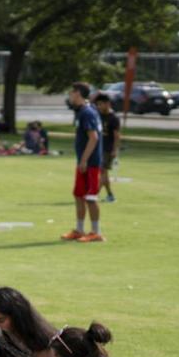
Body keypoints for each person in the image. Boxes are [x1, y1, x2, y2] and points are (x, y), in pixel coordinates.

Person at [63, 82, 105, 243]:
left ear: (78, 93)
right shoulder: (84, 110)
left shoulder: (87, 113)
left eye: (71, 93)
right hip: (83, 162)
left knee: (90, 197)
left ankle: (96, 232)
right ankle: (79, 229)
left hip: (90, 163)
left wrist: (84, 160)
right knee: (78, 195)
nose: (69, 96)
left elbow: (93, 138)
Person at [96, 93, 121, 202]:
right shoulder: (99, 114)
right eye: (98, 104)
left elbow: (117, 136)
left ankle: (93, 194)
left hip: (108, 149)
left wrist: (115, 150)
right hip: (99, 147)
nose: (99, 107)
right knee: (103, 173)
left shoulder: (113, 118)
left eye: (101, 104)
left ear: (108, 104)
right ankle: (110, 195)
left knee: (102, 171)